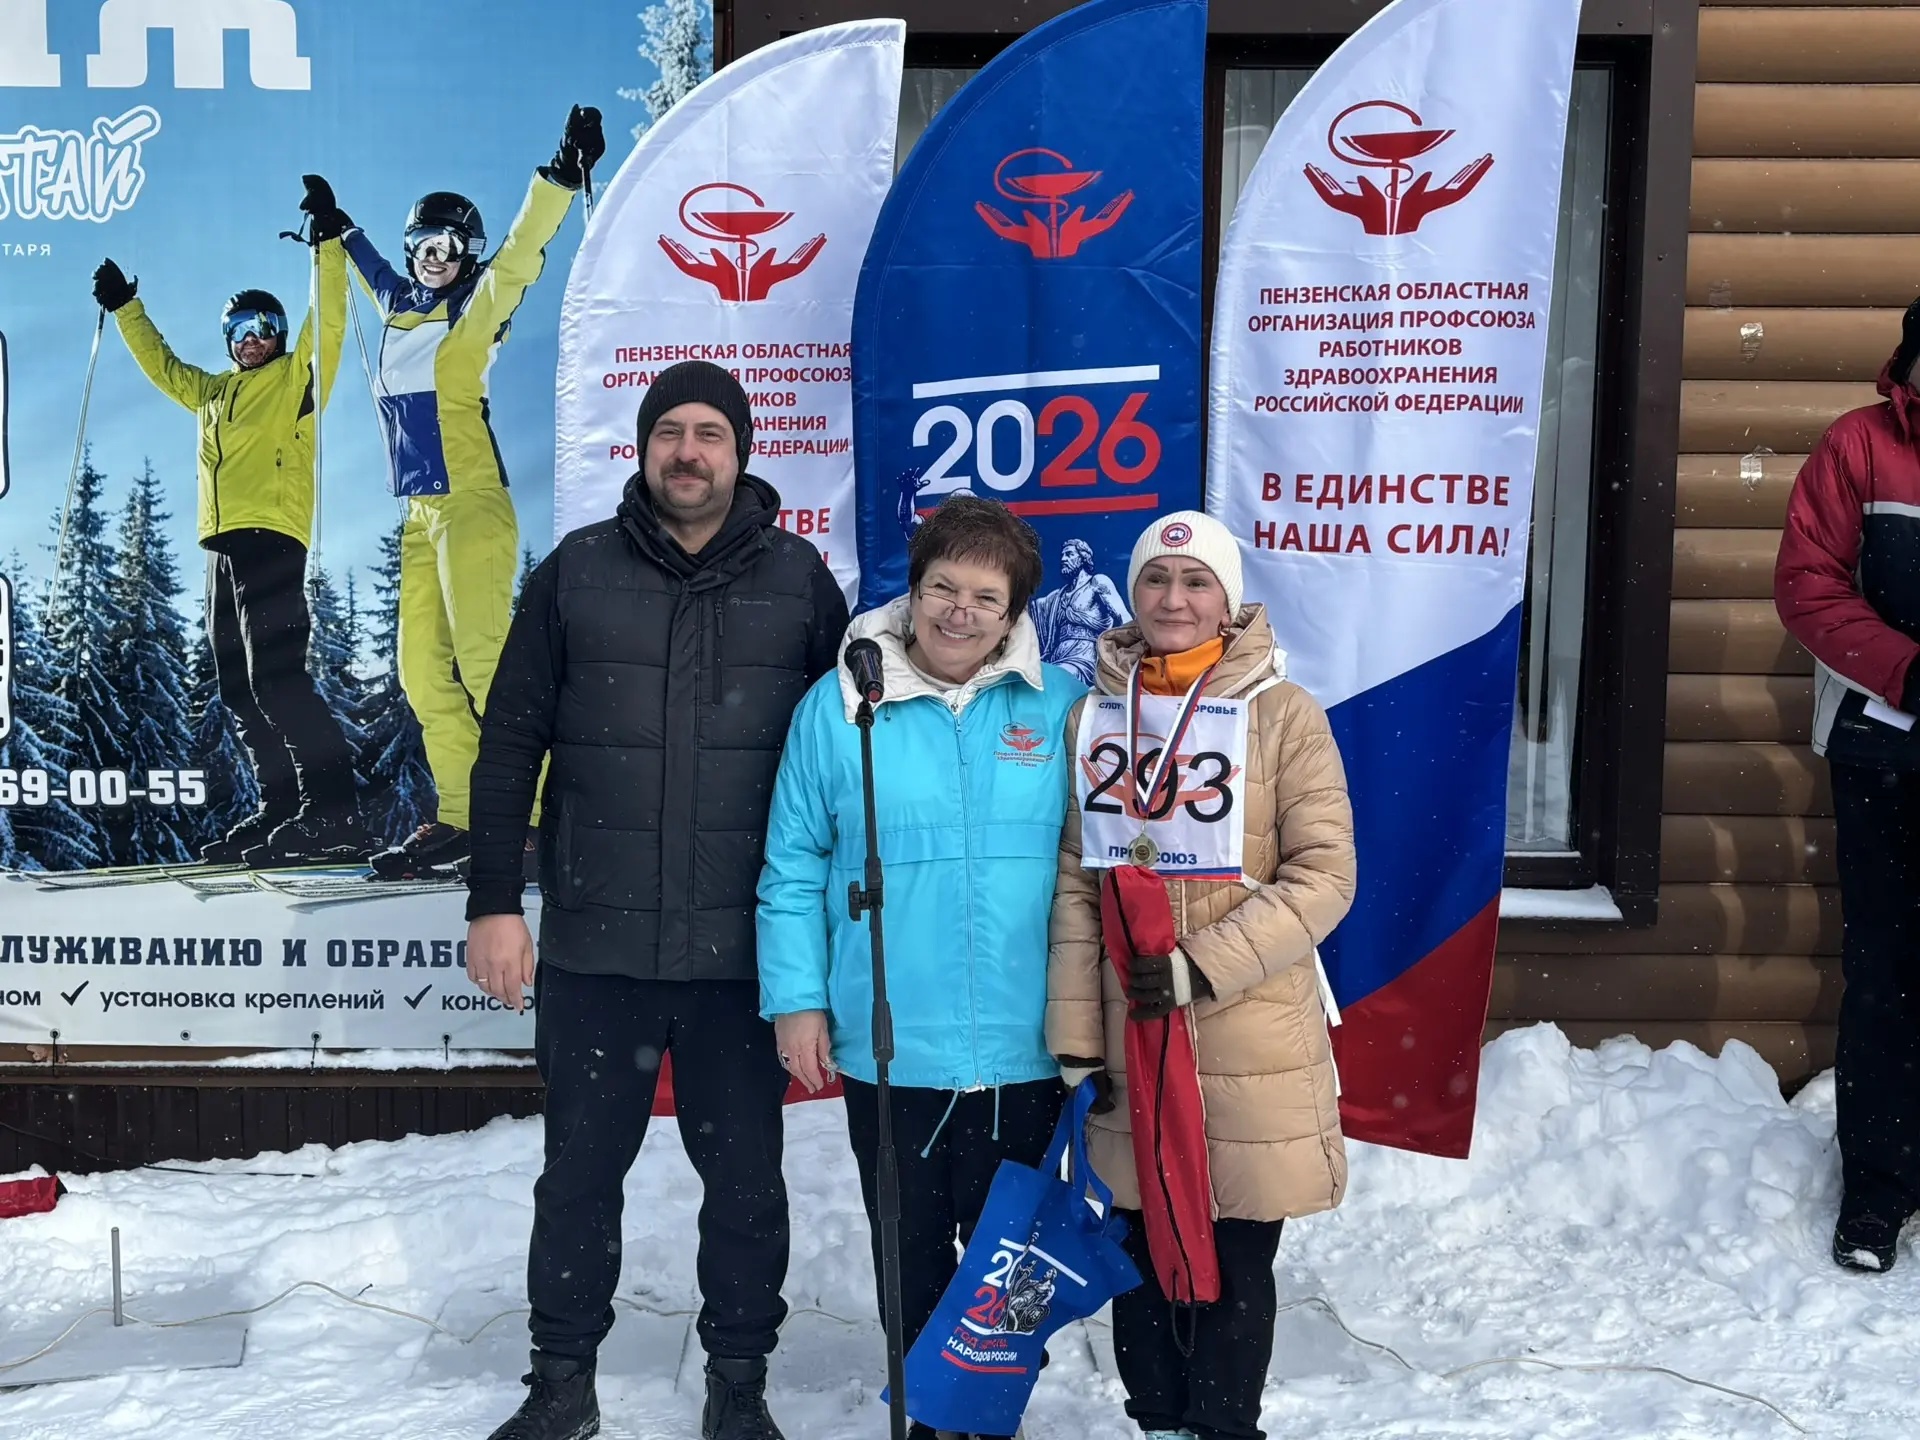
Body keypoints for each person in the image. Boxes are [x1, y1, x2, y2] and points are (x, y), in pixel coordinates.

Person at [463, 360, 847, 1440]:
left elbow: (847, 754)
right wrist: (494, 901)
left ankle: (739, 1383)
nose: (688, 451)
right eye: (669, 430)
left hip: (743, 957)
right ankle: (561, 1384)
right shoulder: (577, 572)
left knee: (748, 1185)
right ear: (642, 449)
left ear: (741, 452)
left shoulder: (800, 581)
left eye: (709, 433)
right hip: (598, 950)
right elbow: (510, 746)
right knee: (577, 1180)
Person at [757, 496, 1085, 1440]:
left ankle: (990, 1413)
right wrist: (797, 1001)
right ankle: (930, 1417)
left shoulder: (1062, 706)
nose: (960, 612)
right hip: (893, 1042)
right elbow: (792, 865)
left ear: (1014, 612)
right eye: (944, 587)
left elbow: (1096, 868)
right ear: (913, 590)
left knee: (1013, 1261)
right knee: (908, 1254)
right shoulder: (840, 707)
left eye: (986, 597)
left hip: (1028, 1043)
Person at [1047, 512, 1356, 1440]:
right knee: (1141, 1258)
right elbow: (1076, 883)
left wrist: (1201, 967)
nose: (1173, 599)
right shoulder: (1094, 715)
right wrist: (1076, 1035)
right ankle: (1159, 1425)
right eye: (1156, 579)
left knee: (1234, 1259)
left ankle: (1225, 1427)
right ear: (1133, 593)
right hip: (1132, 1031)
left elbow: (1325, 876)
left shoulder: (1284, 714)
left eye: (1196, 582)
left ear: (1229, 602)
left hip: (1248, 1032)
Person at [302, 103, 605, 879]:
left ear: (466, 256)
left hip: (472, 503)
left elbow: (522, 254)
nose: (433, 258)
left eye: (448, 247)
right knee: (419, 671)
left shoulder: (477, 309)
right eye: (422, 246)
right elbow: (368, 265)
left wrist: (560, 175)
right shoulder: (400, 306)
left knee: (483, 663)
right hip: (419, 514)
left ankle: (533, 819)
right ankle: (465, 816)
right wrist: (338, 225)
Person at [89, 178, 365, 867]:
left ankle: (334, 812)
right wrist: (126, 308)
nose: (255, 340)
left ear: (279, 335)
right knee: (238, 687)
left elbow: (327, 320)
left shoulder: (296, 379)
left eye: (265, 327)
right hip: (222, 546)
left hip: (273, 538)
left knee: (278, 675)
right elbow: (164, 367)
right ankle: (282, 806)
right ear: (229, 340)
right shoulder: (212, 393)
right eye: (241, 330)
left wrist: (328, 244)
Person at [1775, 298, 1920, 1275]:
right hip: (1883, 752)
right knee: (1888, 973)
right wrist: (1908, 671)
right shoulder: (1859, 448)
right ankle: (1878, 1184)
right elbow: (1808, 584)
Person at [1030, 536, 1131, 684]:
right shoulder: (1058, 596)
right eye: (1062, 555)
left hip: (1086, 656)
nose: (1063, 559)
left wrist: (1126, 658)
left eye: (1069, 554)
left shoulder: (1097, 582)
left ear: (1083, 558)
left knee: (1053, 680)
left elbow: (1124, 617)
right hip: (1057, 656)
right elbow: (1034, 609)